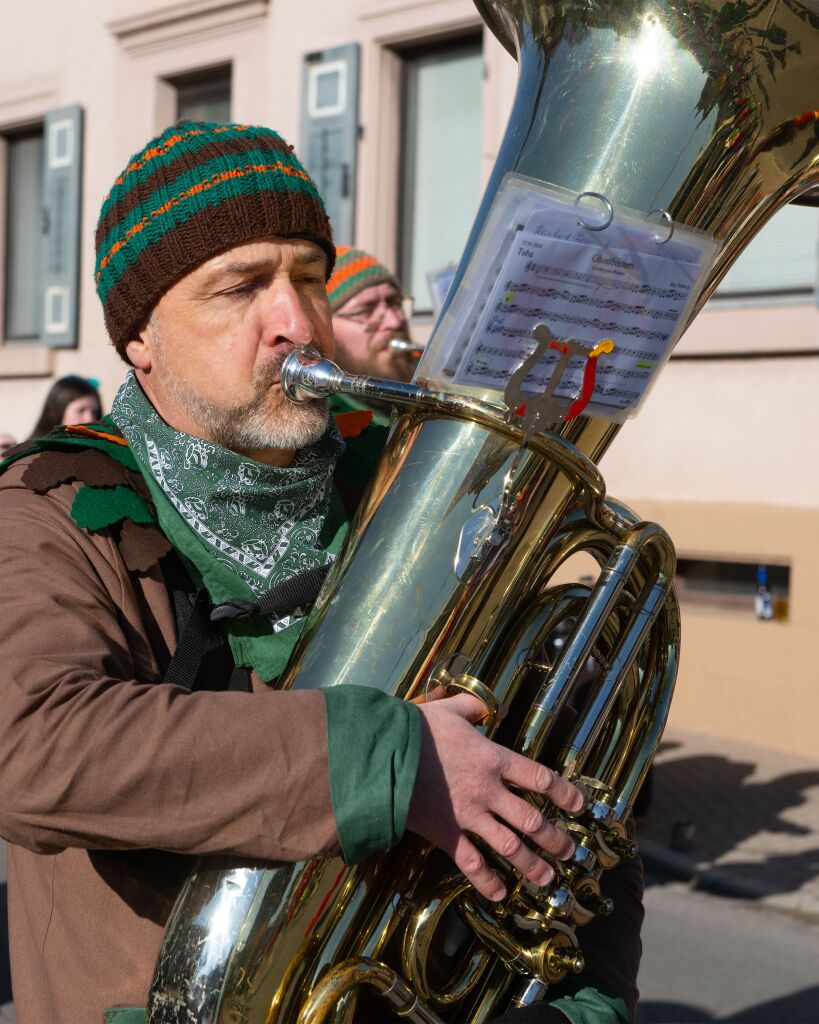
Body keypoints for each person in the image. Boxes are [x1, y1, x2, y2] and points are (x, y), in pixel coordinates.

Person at [0, 121, 640, 1024]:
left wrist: (588, 999)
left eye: (305, 275)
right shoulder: (48, 504)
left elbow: (568, 793)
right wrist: (391, 760)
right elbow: (27, 746)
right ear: (140, 337)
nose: (297, 322)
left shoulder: (401, 482)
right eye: (239, 288)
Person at [28, 374, 102, 438]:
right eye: (81, 410)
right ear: (55, 411)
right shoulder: (33, 452)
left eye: (95, 412)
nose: (90, 419)